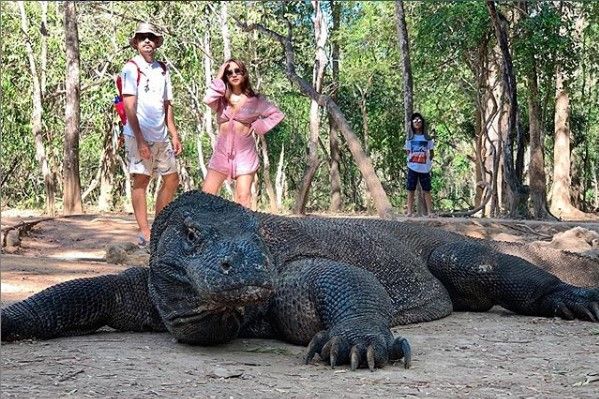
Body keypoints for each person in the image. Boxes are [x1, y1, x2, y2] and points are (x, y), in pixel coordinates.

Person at [121, 22, 182, 246]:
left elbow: (167, 104)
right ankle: (145, 231)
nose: (147, 40)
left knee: (172, 178)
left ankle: (159, 226)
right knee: (142, 179)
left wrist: (174, 133)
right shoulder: (131, 68)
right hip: (138, 134)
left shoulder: (162, 69)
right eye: (142, 37)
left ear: (156, 42)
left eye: (151, 37)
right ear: (136, 43)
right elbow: (129, 106)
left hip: (161, 134)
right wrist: (140, 140)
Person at [202, 59, 284, 208]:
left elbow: (277, 115)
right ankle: (204, 229)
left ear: (243, 73)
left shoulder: (256, 101)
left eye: (237, 71)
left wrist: (259, 125)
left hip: (245, 154)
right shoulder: (221, 100)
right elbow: (207, 99)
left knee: (243, 197)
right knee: (206, 194)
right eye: (229, 72)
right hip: (222, 153)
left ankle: (241, 230)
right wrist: (220, 75)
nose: (233, 74)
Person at [404, 112, 435, 217]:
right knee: (410, 189)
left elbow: (431, 153)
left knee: (427, 189)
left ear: (422, 123)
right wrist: (410, 161)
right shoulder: (410, 139)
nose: (417, 122)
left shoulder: (427, 139)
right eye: (415, 121)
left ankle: (430, 212)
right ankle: (409, 211)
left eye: (419, 121)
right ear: (412, 124)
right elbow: (407, 151)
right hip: (412, 167)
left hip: (424, 168)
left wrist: (428, 163)